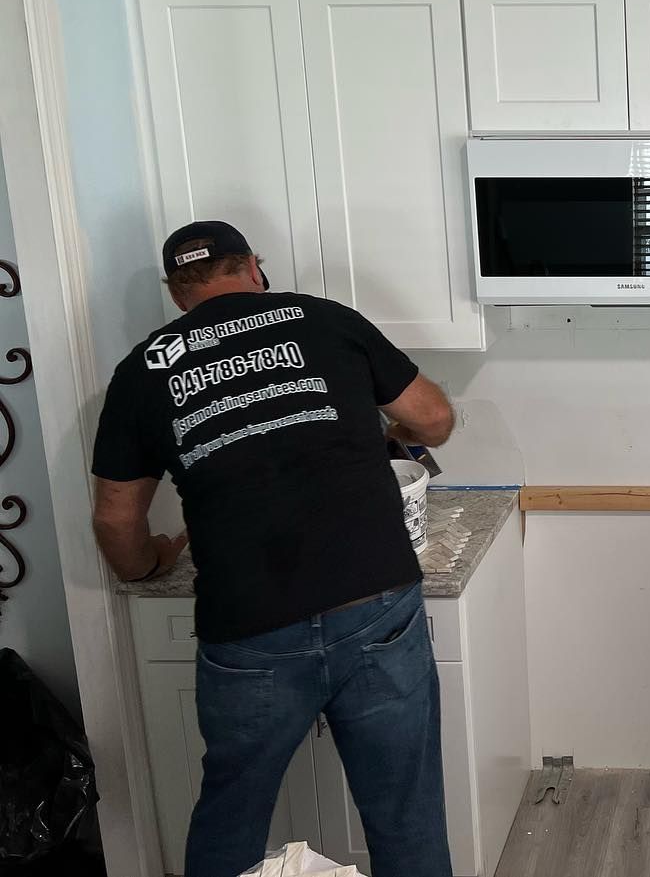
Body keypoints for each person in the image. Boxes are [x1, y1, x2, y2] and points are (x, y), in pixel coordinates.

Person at [90, 220, 457, 877]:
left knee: (232, 814)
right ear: (254, 269)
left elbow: (117, 521)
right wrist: (389, 426)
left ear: (177, 294)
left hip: (248, 630)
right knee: (406, 812)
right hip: (373, 603)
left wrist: (150, 560)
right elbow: (435, 418)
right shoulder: (323, 319)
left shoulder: (143, 370)